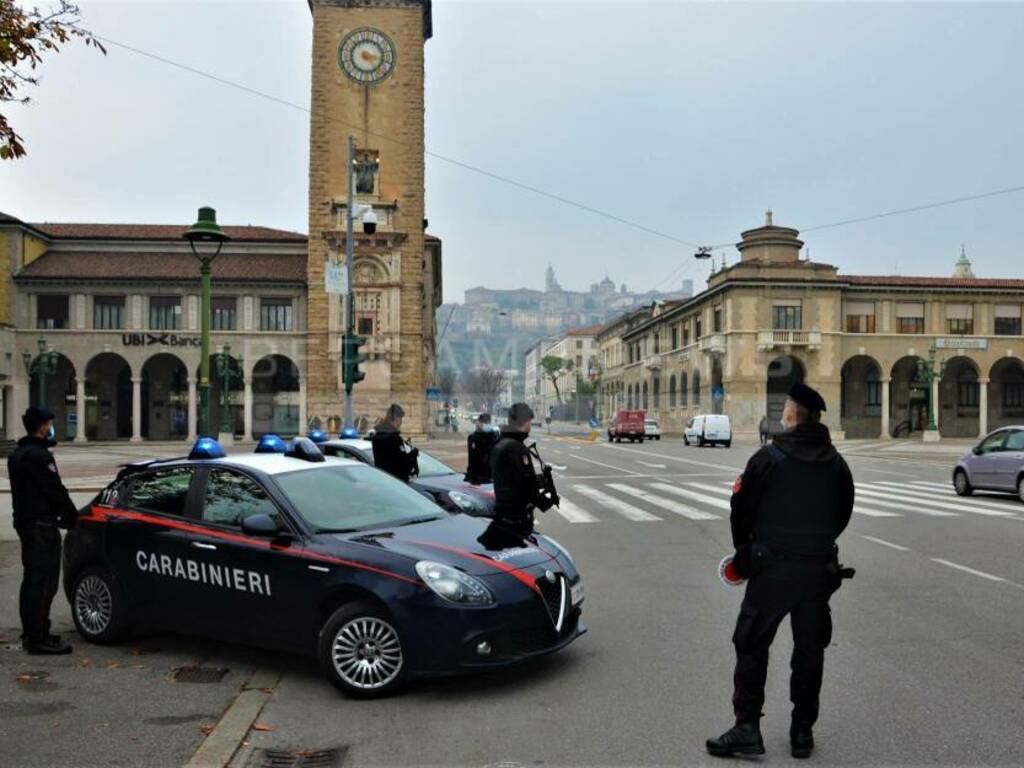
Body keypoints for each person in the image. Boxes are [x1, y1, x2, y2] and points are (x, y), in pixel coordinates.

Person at [707, 384, 854, 760]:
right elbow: (842, 514)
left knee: (752, 645)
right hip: (818, 571)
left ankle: (746, 728)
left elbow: (740, 509)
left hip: (772, 571)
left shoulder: (768, 458)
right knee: (809, 652)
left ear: (791, 415)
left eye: (786, 408)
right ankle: (802, 732)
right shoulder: (837, 463)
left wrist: (748, 554)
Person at [8, 406, 79, 655]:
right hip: (42, 526)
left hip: (25, 523)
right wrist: (72, 515)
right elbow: (54, 489)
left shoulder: (17, 454)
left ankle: (33, 631)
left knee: (31, 580)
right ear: (41, 426)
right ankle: (38, 638)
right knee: (45, 581)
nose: (50, 428)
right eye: (48, 424)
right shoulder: (40, 456)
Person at [489, 403, 557, 535]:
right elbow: (527, 487)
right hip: (517, 519)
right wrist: (547, 501)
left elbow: (513, 478)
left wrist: (540, 480)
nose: (530, 426)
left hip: (503, 513)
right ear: (525, 422)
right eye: (529, 422)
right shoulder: (517, 448)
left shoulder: (500, 442)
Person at [369, 404, 418, 483]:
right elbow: (400, 461)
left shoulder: (379, 435)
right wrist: (413, 454)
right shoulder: (392, 437)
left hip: (384, 479)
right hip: (396, 480)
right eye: (400, 418)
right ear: (396, 418)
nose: (401, 422)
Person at [465, 413, 499, 484]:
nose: (486, 424)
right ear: (479, 423)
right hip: (476, 476)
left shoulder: (493, 436)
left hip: (489, 475)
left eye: (488, 423)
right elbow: (474, 457)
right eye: (484, 422)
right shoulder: (473, 438)